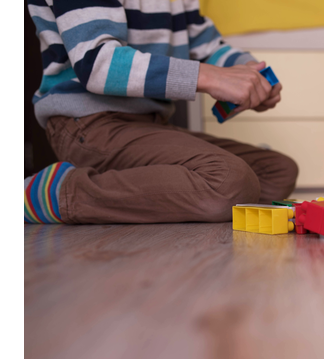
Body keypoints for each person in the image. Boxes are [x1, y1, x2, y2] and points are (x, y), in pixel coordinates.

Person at [24, 0, 298, 224]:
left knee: (278, 171)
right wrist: (213, 77)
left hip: (150, 123)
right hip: (89, 124)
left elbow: (209, 49)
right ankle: (60, 193)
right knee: (229, 181)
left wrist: (249, 74)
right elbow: (98, 64)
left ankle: (176, 196)